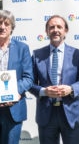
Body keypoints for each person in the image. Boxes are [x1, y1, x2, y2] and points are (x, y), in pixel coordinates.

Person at [29, 15, 79, 144]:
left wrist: (71, 89)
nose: (55, 30)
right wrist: (44, 91)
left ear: (65, 30)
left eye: (59, 27)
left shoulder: (77, 54)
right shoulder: (37, 55)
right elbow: (30, 83)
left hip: (70, 113)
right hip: (46, 115)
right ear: (47, 31)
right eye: (52, 27)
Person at [0, 10, 33, 144]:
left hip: (14, 109)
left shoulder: (22, 48)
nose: (2, 26)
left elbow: (28, 78)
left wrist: (14, 92)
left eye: (6, 24)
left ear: (11, 28)